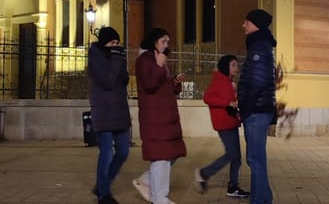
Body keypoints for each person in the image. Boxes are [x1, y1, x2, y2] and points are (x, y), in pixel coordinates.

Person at [133, 27, 187, 204]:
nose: (166, 44)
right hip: (154, 117)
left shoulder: (159, 59)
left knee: (170, 154)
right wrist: (158, 65)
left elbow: (162, 86)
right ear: (153, 41)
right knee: (161, 157)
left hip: (165, 116)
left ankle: (147, 182)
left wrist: (175, 82)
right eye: (163, 41)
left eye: (167, 41)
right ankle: (159, 197)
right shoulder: (145, 60)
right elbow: (149, 84)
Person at [194, 55, 249, 198]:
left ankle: (233, 187)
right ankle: (204, 173)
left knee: (236, 158)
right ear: (226, 66)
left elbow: (231, 102)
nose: (236, 68)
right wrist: (228, 103)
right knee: (232, 155)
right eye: (233, 65)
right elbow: (207, 97)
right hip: (224, 124)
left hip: (231, 123)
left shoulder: (229, 82)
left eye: (237, 65)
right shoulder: (219, 80)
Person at [237, 9, 277, 204]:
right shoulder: (260, 45)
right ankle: (265, 198)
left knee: (255, 160)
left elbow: (257, 82)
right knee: (257, 159)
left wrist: (245, 108)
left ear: (256, 24)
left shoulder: (259, 47)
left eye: (247, 21)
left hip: (256, 112)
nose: (243, 25)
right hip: (259, 110)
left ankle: (259, 201)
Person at [88, 26, 131, 204]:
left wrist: (119, 60)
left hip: (119, 112)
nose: (115, 46)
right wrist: (115, 58)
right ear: (104, 43)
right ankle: (103, 195)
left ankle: (101, 185)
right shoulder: (95, 58)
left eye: (117, 43)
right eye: (112, 43)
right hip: (103, 112)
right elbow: (108, 81)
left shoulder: (116, 57)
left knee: (123, 152)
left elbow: (125, 79)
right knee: (106, 154)